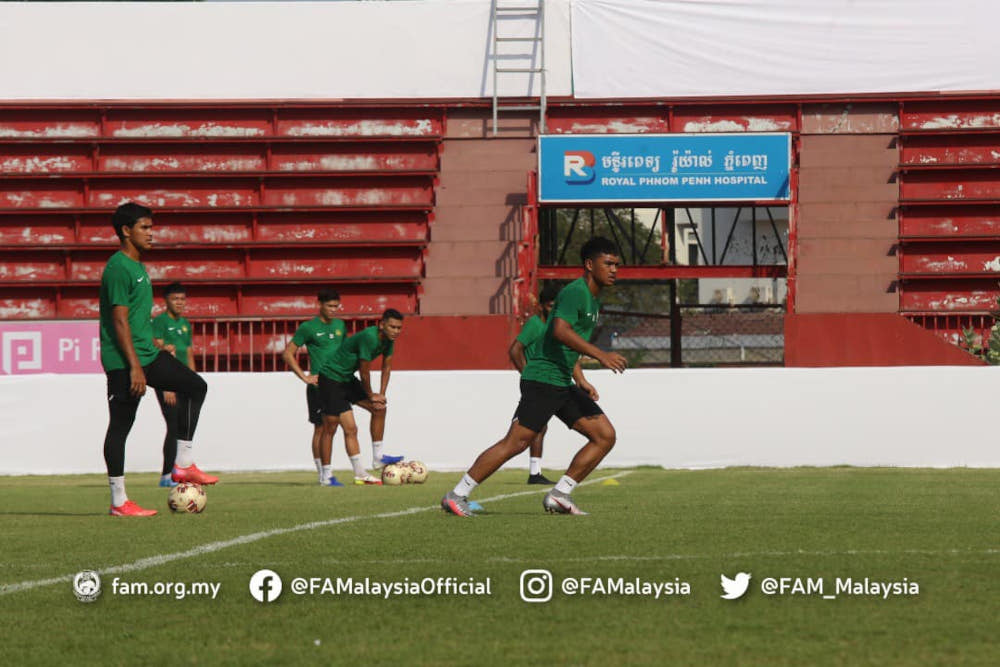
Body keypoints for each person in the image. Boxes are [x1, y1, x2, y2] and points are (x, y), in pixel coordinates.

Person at [442, 237, 627, 517]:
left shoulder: (592, 298)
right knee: (515, 442)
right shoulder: (576, 292)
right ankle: (457, 495)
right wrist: (600, 355)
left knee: (604, 435)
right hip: (543, 379)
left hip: (561, 381)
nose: (614, 270)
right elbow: (560, 332)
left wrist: (581, 379)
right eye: (609, 264)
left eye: (617, 265)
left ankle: (559, 494)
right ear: (590, 265)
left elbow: (566, 344)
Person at [99, 202, 218, 517]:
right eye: (145, 227)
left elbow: (135, 321)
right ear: (126, 230)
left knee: (196, 386)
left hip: (146, 354)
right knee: (121, 426)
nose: (152, 234)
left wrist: (150, 344)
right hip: (126, 362)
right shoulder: (118, 267)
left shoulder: (138, 267)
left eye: (151, 227)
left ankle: (182, 464)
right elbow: (119, 321)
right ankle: (119, 502)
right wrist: (135, 365)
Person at [317, 309, 406, 485]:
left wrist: (381, 394)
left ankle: (376, 459)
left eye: (399, 328)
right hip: (331, 378)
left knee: (378, 409)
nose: (396, 331)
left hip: (346, 379)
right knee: (331, 427)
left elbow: (386, 368)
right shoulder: (369, 337)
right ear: (382, 325)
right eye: (392, 327)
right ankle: (326, 476)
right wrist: (370, 394)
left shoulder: (389, 341)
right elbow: (364, 371)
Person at [282, 289, 347, 487]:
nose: (333, 310)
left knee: (341, 427)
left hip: (338, 384)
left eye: (336, 306)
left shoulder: (340, 326)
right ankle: (323, 474)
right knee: (321, 428)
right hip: (318, 387)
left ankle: (330, 473)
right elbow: (288, 353)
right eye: (329, 306)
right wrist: (304, 377)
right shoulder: (308, 327)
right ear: (319, 304)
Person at [509, 283, 561, 485]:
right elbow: (515, 350)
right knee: (519, 436)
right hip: (536, 384)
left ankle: (535, 473)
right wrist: (527, 374)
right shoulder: (535, 325)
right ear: (541, 306)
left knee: (539, 427)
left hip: (544, 383)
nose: (553, 310)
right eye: (550, 306)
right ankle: (534, 473)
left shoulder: (552, 327)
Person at [150, 282, 196, 488]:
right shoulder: (159, 322)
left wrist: (195, 380)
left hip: (184, 380)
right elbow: (159, 351)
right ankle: (167, 474)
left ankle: (180, 469)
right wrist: (166, 386)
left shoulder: (185, 324)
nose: (180, 303)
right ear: (166, 301)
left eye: (182, 299)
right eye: (175, 299)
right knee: (174, 425)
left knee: (184, 427)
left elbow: (188, 352)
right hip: (168, 381)